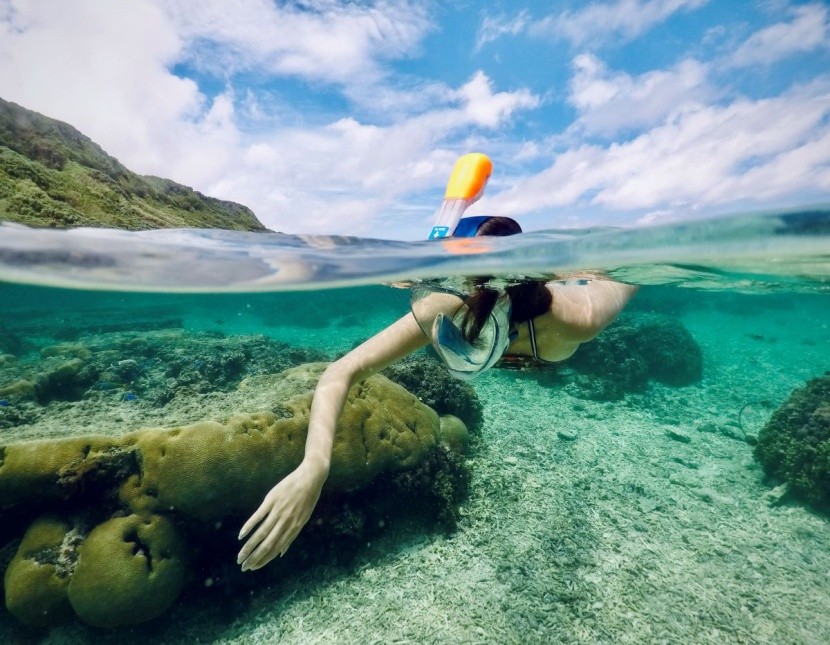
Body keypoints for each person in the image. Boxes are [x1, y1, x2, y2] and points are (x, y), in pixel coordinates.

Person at [237, 216, 638, 572]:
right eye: (451, 337)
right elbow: (342, 371)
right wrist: (315, 466)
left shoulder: (578, 319)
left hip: (555, 310)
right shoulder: (441, 306)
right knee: (438, 240)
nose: (454, 345)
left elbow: (628, 275)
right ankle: (449, 221)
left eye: (471, 340)